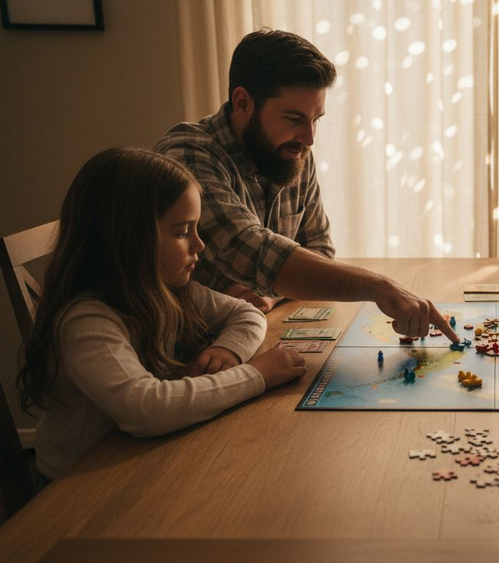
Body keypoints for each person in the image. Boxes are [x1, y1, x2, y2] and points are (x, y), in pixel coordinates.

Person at [17, 148, 307, 483]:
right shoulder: (86, 320)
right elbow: (146, 410)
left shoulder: (166, 288)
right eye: (183, 232)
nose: (199, 245)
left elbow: (246, 313)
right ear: (128, 238)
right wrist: (257, 374)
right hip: (80, 485)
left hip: (138, 457)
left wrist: (230, 349)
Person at [154, 28, 457, 342]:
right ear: (243, 103)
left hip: (253, 329)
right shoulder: (187, 155)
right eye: (294, 118)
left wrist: (273, 294)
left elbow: (319, 250)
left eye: (316, 119)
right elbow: (252, 252)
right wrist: (380, 287)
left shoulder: (292, 149)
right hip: (186, 345)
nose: (310, 137)